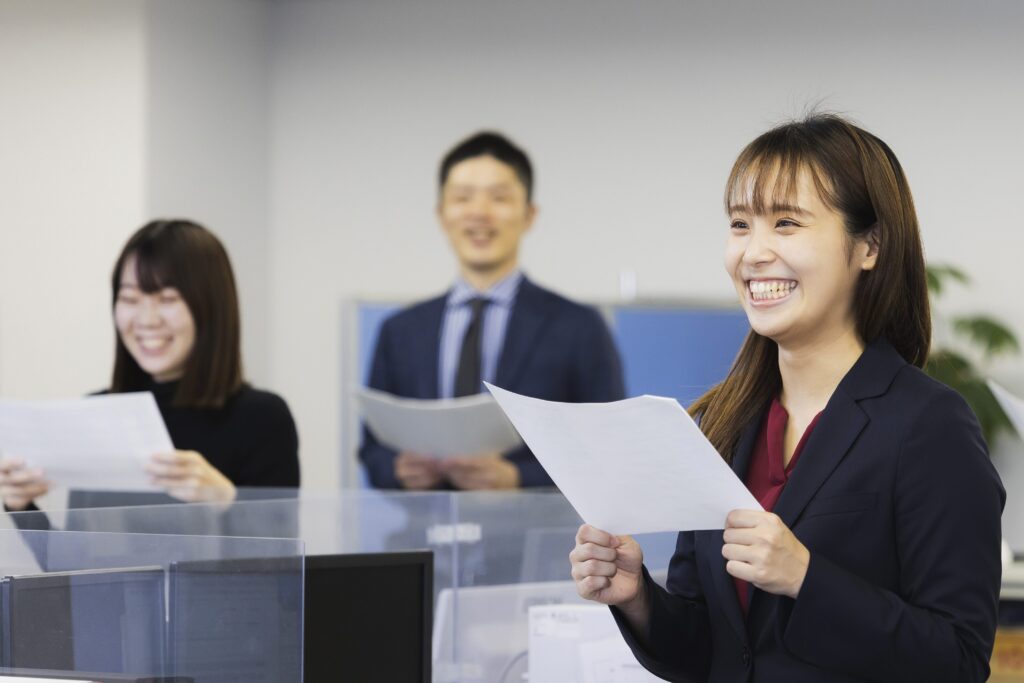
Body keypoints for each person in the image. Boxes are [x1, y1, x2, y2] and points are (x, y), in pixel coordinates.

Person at [570, 115, 1005, 682]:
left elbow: (958, 659)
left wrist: (806, 577)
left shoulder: (928, 425)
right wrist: (638, 599)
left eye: (787, 223)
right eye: (740, 224)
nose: (754, 253)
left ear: (868, 246)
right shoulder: (724, 424)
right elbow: (714, 653)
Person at [360, 131, 624, 490]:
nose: (479, 213)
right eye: (462, 198)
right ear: (441, 214)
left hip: (533, 540)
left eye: (499, 198)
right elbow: (372, 449)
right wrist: (397, 470)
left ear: (529, 214)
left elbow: (607, 448)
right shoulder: (401, 330)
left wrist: (517, 479)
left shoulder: (578, 327)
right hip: (425, 538)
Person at [0, 219, 300, 511]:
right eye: (130, 298)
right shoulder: (99, 412)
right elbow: (78, 559)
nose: (146, 320)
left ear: (211, 307)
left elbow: (283, 557)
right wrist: (22, 504)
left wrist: (226, 501)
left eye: (167, 298)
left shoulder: (262, 418)